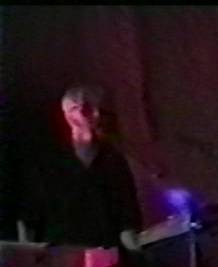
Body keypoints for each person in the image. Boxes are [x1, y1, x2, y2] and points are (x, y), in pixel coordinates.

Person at [18, 84, 142, 252]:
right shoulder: (47, 162)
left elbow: (127, 220)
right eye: (86, 109)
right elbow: (29, 216)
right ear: (69, 114)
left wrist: (136, 253)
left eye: (98, 109)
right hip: (62, 254)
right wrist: (29, 257)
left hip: (106, 255)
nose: (96, 115)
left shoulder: (114, 161)